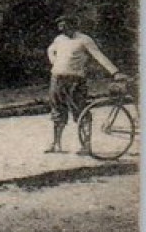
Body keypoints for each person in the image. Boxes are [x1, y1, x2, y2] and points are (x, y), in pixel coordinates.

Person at [46, 14, 122, 154]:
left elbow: (98, 56)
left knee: (81, 111)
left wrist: (114, 72)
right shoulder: (59, 39)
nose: (61, 27)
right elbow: (50, 49)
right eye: (60, 25)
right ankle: (56, 144)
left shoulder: (84, 39)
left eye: (64, 24)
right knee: (57, 111)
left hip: (75, 81)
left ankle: (86, 145)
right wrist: (54, 61)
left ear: (72, 25)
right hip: (57, 79)